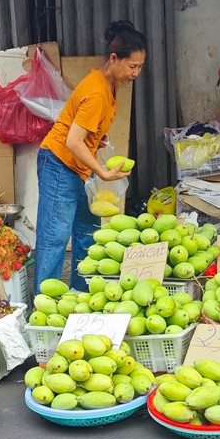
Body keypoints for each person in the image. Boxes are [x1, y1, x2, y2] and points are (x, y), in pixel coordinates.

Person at [34, 20, 146, 293]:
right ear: (114, 59)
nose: (136, 73)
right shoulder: (97, 90)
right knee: (55, 237)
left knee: (86, 231)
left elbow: (83, 129)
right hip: (59, 164)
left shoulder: (111, 83)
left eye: (140, 67)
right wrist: (103, 171)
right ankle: (42, 306)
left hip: (77, 168)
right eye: (132, 66)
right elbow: (73, 141)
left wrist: (97, 138)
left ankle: (81, 294)